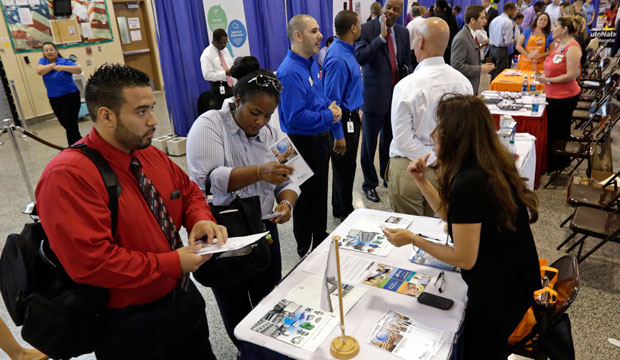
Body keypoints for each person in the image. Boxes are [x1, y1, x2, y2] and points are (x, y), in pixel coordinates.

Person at [34, 63, 228, 359]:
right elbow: (91, 263)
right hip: (130, 324)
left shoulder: (147, 152)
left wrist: (199, 218)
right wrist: (170, 263)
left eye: (152, 107)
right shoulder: (68, 176)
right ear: (106, 116)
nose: (153, 120)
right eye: (141, 112)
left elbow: (187, 191)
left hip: (183, 300)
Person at [383, 94, 540, 358]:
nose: (433, 134)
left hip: (501, 292)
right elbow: (453, 216)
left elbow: (464, 258)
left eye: (440, 129)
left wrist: (414, 239)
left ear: (457, 135)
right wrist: (422, 181)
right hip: (510, 279)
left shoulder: (469, 181)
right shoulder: (485, 164)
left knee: (481, 351)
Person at [186, 56, 299, 351]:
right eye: (254, 112)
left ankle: (268, 353)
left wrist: (286, 204)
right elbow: (209, 179)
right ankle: (245, 353)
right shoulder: (209, 125)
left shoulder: (272, 132)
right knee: (235, 306)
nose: (259, 122)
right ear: (237, 100)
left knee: (269, 300)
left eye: (267, 115)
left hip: (263, 229)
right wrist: (260, 172)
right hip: (225, 231)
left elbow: (292, 177)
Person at [388, 18, 473, 217]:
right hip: (448, 166)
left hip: (410, 166)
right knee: (437, 229)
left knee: (408, 231)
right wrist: (440, 159)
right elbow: (465, 130)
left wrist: (431, 159)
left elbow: (403, 139)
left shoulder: (407, 85)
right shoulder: (463, 83)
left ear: (421, 42)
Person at [277, 15, 342, 257]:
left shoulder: (311, 64)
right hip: (302, 144)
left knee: (319, 194)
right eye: (314, 31)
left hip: (319, 139)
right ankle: (305, 248)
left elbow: (318, 98)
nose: (320, 36)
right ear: (298, 35)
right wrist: (328, 116)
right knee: (304, 198)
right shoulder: (290, 72)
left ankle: (319, 235)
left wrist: (330, 108)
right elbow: (294, 117)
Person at [355, 0, 412, 203]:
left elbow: (406, 60)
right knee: (369, 144)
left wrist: (406, 71)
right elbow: (360, 56)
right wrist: (380, 38)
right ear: (382, 7)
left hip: (397, 96)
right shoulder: (367, 29)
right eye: (388, 7)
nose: (391, 11)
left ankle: (387, 177)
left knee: (389, 141)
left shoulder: (403, 32)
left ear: (400, 12)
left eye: (396, 9)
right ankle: (369, 184)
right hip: (374, 97)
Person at [323, 10, 363, 222]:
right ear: (353, 28)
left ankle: (341, 207)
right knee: (343, 167)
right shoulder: (338, 58)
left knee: (346, 167)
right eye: (359, 24)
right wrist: (337, 134)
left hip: (351, 117)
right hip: (343, 120)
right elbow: (332, 100)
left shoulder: (347, 50)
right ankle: (345, 211)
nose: (361, 27)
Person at [537, 16, 583, 173]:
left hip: (565, 97)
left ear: (564, 29)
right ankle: (553, 161)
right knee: (553, 130)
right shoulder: (559, 44)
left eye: (555, 25)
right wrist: (543, 74)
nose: (552, 28)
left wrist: (548, 80)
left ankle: (560, 163)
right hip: (552, 94)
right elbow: (554, 64)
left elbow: (571, 75)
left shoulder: (573, 48)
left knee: (560, 130)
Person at [35, 42, 82, 146]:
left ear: (56, 50)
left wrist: (63, 67)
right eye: (46, 50)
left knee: (70, 124)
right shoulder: (43, 62)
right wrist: (53, 66)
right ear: (43, 53)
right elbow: (39, 71)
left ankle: (74, 148)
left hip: (70, 96)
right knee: (65, 123)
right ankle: (81, 142)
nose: (49, 52)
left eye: (51, 49)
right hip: (54, 98)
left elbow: (78, 70)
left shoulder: (65, 61)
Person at [451, 5, 496, 94]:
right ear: (472, 20)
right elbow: (457, 66)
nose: (485, 21)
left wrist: (482, 66)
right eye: (482, 18)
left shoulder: (472, 35)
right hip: (464, 87)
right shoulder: (461, 38)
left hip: (472, 85)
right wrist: (480, 69)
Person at [200, 28, 235, 110]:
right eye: (222, 43)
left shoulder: (225, 50)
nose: (224, 45)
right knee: (223, 111)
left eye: (225, 42)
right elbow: (207, 75)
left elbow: (230, 64)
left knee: (234, 110)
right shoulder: (207, 55)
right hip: (218, 87)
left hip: (230, 84)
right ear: (214, 40)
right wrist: (225, 73)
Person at [489, 2, 518, 79]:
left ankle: (492, 88)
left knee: (493, 73)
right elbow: (507, 41)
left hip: (492, 50)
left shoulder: (494, 20)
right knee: (500, 74)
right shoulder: (508, 22)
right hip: (501, 51)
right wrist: (515, 40)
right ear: (509, 10)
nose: (515, 14)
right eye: (515, 11)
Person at [434, 0, 459, 64]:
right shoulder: (452, 15)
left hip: (440, 47)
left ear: (438, 8)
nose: (433, 9)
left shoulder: (437, 18)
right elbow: (456, 30)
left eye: (434, 7)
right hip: (450, 46)